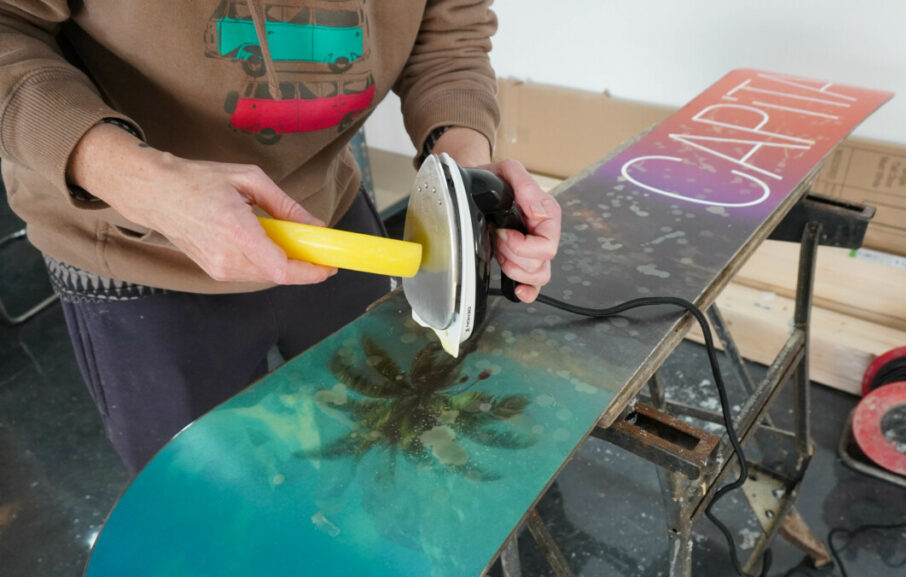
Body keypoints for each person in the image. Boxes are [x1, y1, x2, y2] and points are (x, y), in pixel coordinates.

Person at [0, 0, 560, 475]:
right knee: (210, 500)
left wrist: (465, 180)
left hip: (328, 213)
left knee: (381, 446)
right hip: (136, 245)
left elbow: (449, 35)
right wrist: (145, 183)